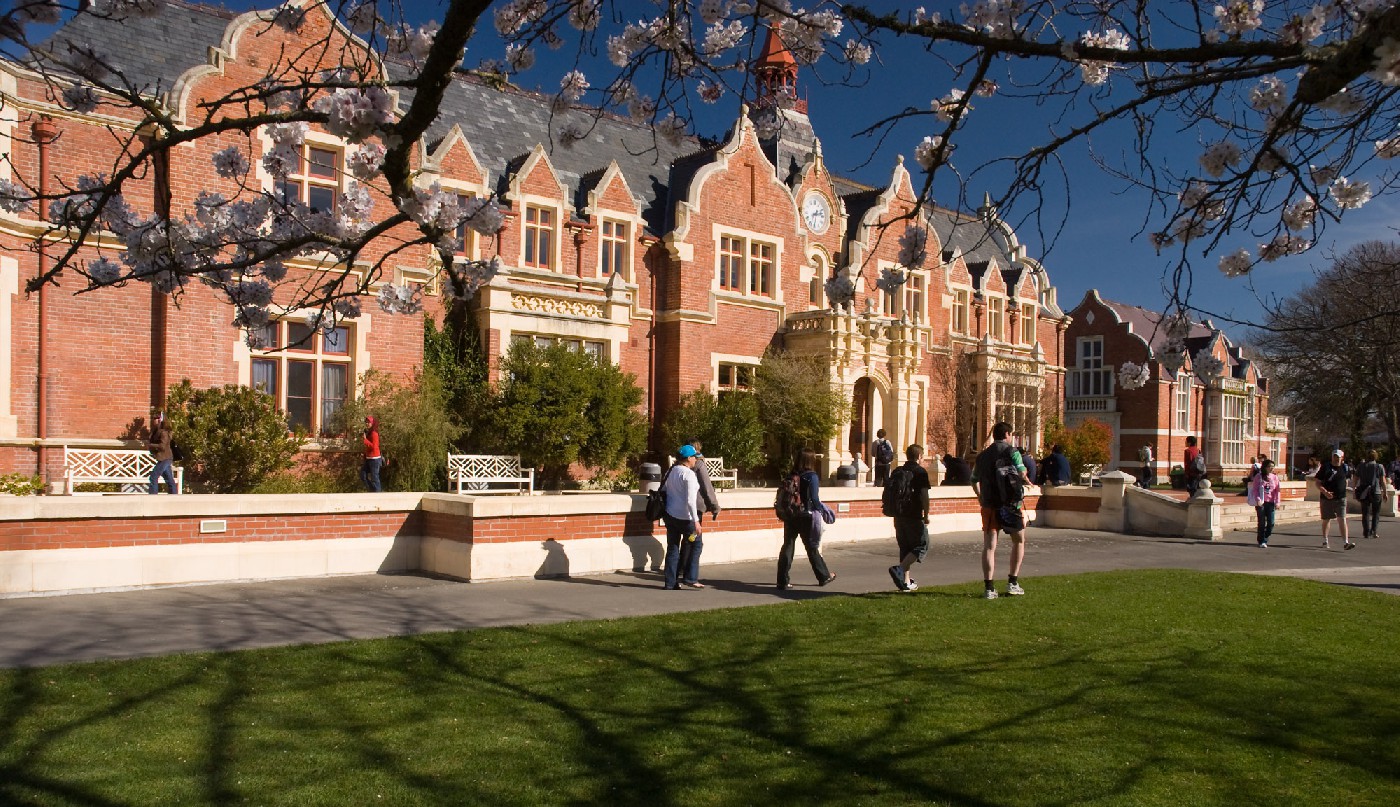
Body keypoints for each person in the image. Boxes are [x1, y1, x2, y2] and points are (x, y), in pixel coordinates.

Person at [971, 422, 1029, 599]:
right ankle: (1013, 582)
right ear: (1007, 434)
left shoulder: (982, 456)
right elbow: (1021, 473)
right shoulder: (1012, 452)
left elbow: (974, 479)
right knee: (1018, 541)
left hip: (989, 504)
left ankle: (989, 588)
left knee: (989, 547)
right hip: (1010, 504)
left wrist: (980, 496)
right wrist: (1024, 474)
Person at [777, 448, 836, 590]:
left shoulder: (791, 475)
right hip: (805, 515)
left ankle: (782, 580)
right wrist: (822, 510)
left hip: (790, 514)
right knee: (811, 547)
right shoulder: (811, 476)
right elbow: (814, 498)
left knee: (788, 546)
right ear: (811, 460)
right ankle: (824, 575)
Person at [884, 444, 932, 592]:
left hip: (898, 514)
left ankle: (905, 582)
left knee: (905, 547)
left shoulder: (898, 471)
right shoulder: (920, 472)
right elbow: (924, 496)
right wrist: (926, 514)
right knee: (922, 545)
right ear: (919, 456)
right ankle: (899, 569)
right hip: (913, 514)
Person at [661, 445, 704, 589]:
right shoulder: (689, 475)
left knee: (673, 548)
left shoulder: (670, 471)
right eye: (694, 458)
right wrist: (696, 521)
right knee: (696, 544)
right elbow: (691, 500)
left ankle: (670, 583)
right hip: (686, 519)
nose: (696, 460)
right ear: (688, 458)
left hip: (671, 516)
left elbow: (665, 491)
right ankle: (691, 578)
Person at [683, 440, 721, 585]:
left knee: (687, 540)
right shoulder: (699, 465)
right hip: (696, 508)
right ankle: (690, 575)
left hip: (680, 508)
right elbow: (707, 487)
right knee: (695, 541)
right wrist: (715, 506)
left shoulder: (678, 466)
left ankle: (682, 568)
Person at [1316, 449, 1353, 550]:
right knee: (1326, 519)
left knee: (1342, 519)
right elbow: (1317, 482)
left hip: (1341, 498)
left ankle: (1346, 542)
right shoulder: (1326, 467)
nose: (1336, 459)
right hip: (1326, 498)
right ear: (1332, 457)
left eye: (1338, 457)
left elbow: (1346, 480)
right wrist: (1324, 491)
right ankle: (1325, 540)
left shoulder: (1345, 468)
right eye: (1335, 456)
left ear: (1342, 458)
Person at [1353, 449, 1387, 540]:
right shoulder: (1379, 466)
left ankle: (1366, 532)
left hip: (1364, 492)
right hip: (1376, 492)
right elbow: (1383, 481)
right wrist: (1385, 492)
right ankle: (1374, 531)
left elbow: (1355, 478)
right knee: (1376, 513)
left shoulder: (1361, 466)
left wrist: (1354, 489)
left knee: (1365, 513)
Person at [1249, 459, 1281, 548]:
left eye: (1273, 467)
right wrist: (1258, 499)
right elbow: (1255, 489)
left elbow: (1277, 491)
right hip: (1261, 503)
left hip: (1271, 502)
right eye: (1269, 467)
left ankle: (1266, 535)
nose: (1271, 468)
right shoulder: (1258, 477)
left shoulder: (1274, 477)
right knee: (1262, 522)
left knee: (1271, 522)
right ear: (1265, 467)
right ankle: (1262, 541)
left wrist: (1277, 502)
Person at [146, 411, 178, 495]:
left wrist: (150, 445)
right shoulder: (156, 431)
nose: (154, 420)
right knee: (169, 479)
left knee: (153, 476)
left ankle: (153, 497)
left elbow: (162, 446)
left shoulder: (164, 432)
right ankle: (174, 496)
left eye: (156, 418)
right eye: (153, 418)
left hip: (165, 458)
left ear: (160, 420)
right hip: (163, 458)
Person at [361, 416, 383, 492]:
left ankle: (378, 495)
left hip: (375, 459)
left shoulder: (374, 433)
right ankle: (373, 491)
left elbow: (374, 446)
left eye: (368, 422)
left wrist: (365, 440)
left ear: (372, 423)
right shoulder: (369, 432)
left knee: (375, 478)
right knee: (363, 475)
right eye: (366, 422)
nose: (367, 423)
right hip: (369, 458)